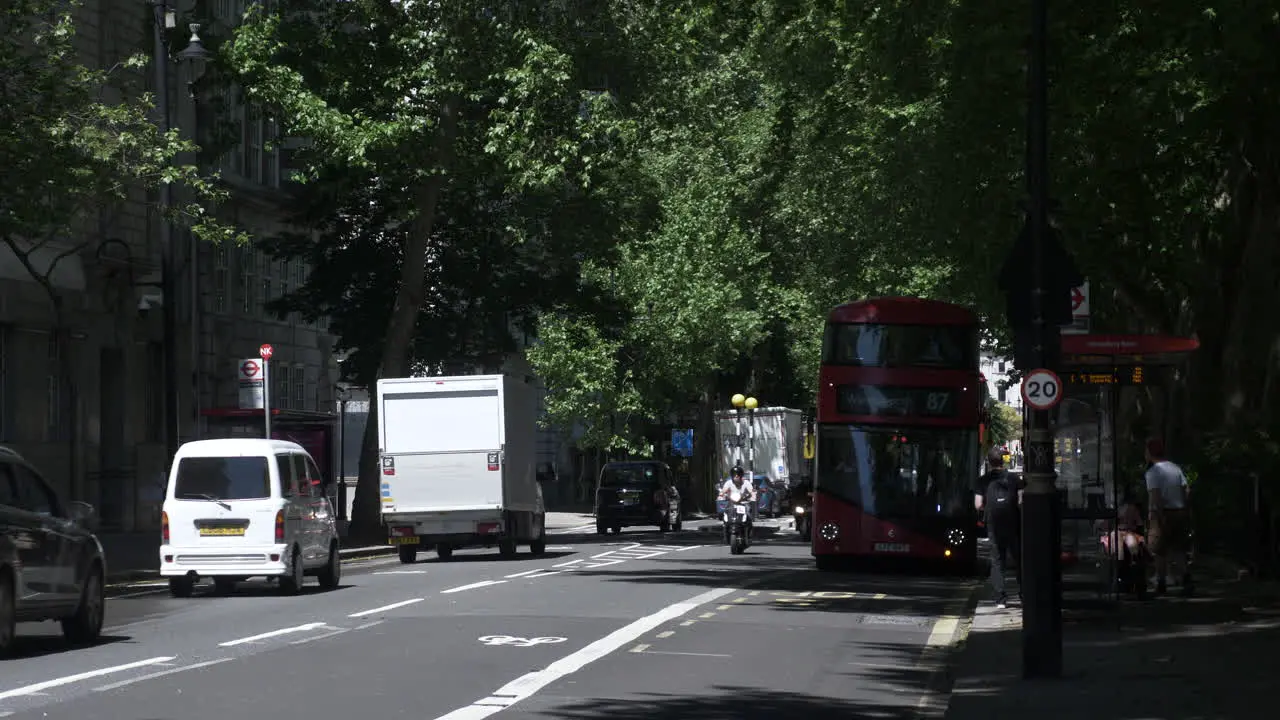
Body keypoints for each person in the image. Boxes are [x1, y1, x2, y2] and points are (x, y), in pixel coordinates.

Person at [975, 446, 1025, 608]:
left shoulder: (982, 481)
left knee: (997, 560)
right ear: (1003, 460)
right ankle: (1024, 592)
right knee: (1019, 558)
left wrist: (988, 508)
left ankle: (1000, 598)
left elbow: (978, 504)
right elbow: (1020, 501)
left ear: (989, 462)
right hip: (1012, 522)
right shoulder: (1014, 479)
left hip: (993, 523)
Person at [1144, 438, 1192, 595]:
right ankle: (1186, 579)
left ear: (1150, 452)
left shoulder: (1152, 472)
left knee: (1159, 550)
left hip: (1162, 512)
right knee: (1178, 549)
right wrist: (1184, 507)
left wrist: (1155, 515)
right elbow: (1186, 490)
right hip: (1179, 511)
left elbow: (1155, 495)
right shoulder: (1175, 468)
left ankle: (1161, 582)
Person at [719, 465, 757, 543]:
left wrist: (753, 496)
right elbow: (723, 491)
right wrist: (721, 495)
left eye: (738, 474)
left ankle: (749, 533)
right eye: (734, 474)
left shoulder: (746, 482)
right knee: (725, 515)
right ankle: (726, 533)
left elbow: (752, 490)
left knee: (748, 515)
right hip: (732, 503)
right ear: (732, 475)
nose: (736, 476)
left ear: (741, 475)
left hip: (743, 502)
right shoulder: (729, 483)